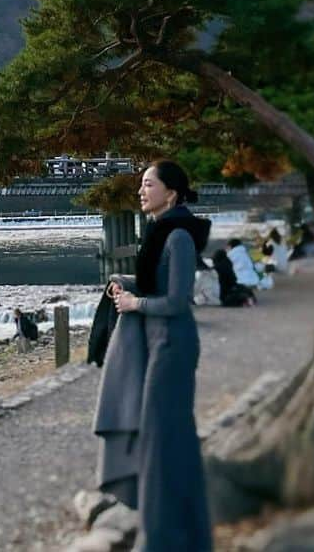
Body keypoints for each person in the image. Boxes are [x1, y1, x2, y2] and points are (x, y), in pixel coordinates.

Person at [93, 159, 213, 552]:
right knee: (170, 442)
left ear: (171, 193)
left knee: (163, 442)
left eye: (148, 184)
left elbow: (179, 300)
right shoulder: (162, 230)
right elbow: (158, 284)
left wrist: (135, 304)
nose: (141, 191)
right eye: (141, 184)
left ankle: (163, 539)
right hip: (161, 342)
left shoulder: (177, 235)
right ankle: (182, 535)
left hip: (173, 345)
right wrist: (126, 286)